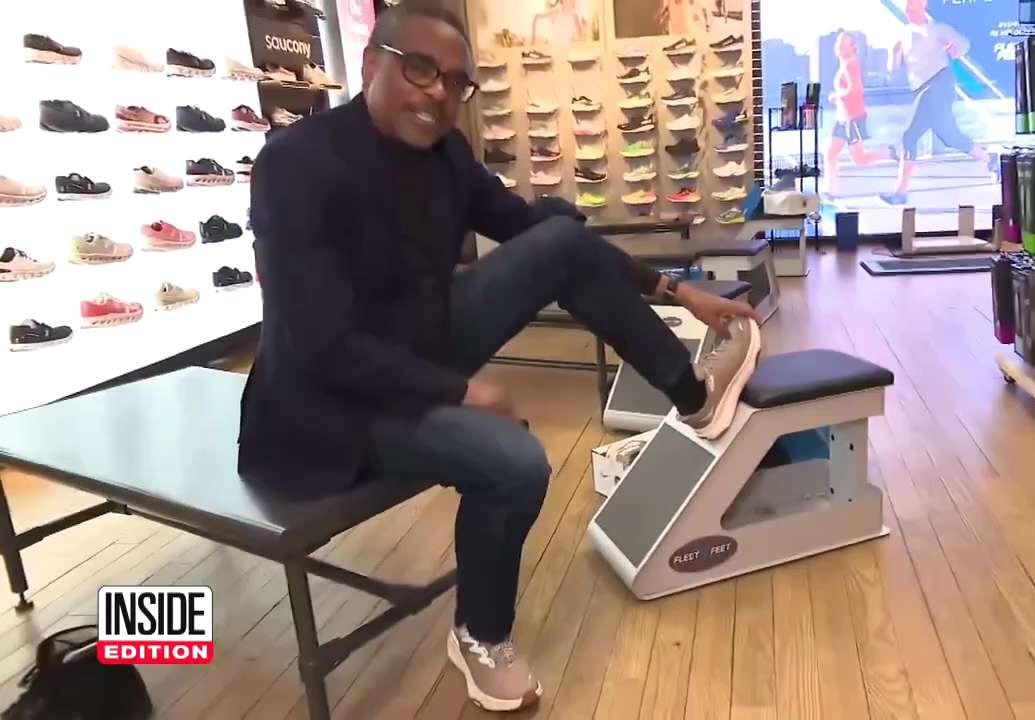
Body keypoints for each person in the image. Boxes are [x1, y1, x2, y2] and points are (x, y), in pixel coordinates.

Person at [237, 0, 761, 712]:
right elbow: (321, 346)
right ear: (370, 65)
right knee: (515, 463)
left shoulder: (446, 153)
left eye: (456, 82)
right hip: (328, 407)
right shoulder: (295, 165)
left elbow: (534, 233)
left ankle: (693, 395)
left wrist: (676, 290)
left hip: (417, 344)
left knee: (560, 238)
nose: (439, 93)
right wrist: (458, 393)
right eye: (421, 70)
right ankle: (481, 634)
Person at [880, 0, 994, 206]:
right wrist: (893, 53)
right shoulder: (903, 34)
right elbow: (893, 68)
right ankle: (990, 159)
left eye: (911, 5)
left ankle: (900, 192)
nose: (908, 9)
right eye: (906, 6)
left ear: (922, 5)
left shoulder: (937, 29)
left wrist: (954, 48)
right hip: (920, 88)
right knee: (950, 136)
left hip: (939, 83)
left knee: (909, 135)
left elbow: (963, 45)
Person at [824, 31, 887, 194]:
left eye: (843, 43)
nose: (839, 46)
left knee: (859, 159)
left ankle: (889, 153)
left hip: (853, 117)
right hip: (841, 118)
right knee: (830, 154)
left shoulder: (850, 64)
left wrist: (836, 96)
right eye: (838, 43)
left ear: (852, 47)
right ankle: (830, 191)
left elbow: (856, 89)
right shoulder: (844, 63)